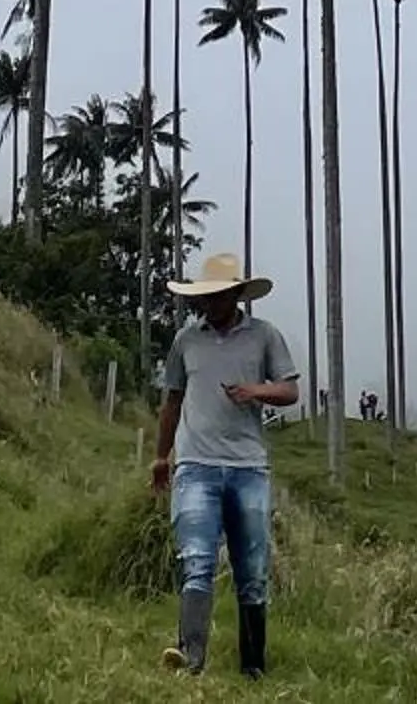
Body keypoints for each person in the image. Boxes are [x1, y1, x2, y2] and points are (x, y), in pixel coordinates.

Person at [152, 252, 299, 677]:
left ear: (236, 295)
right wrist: (161, 456)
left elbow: (290, 391)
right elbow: (173, 400)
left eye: (219, 296)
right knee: (196, 559)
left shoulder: (264, 336)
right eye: (206, 297)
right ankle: (190, 657)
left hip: (248, 468)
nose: (211, 303)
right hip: (195, 465)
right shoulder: (187, 340)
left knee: (251, 569)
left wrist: (255, 391)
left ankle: (253, 666)